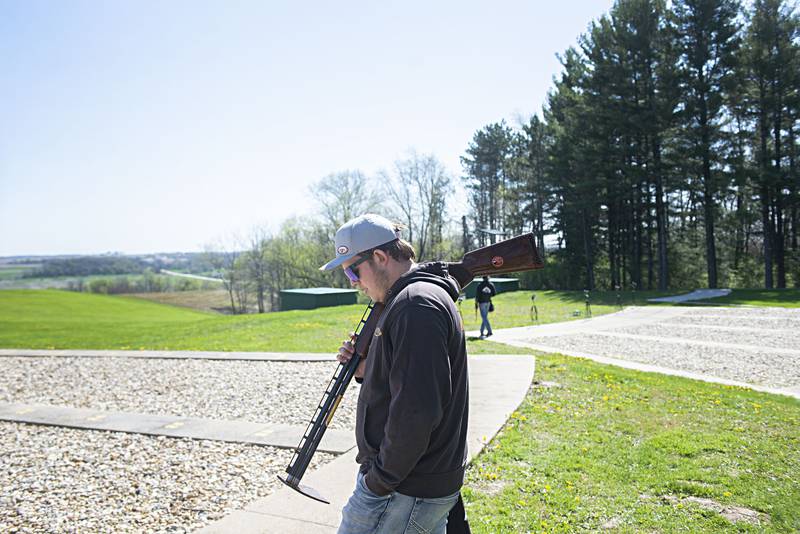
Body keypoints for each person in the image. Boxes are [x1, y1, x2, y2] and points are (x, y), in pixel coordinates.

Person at [320, 213, 469, 534]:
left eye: (351, 270)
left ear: (380, 257)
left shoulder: (415, 305)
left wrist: (378, 483)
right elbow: (408, 384)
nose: (353, 282)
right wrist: (365, 368)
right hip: (412, 485)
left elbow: (418, 410)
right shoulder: (410, 300)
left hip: (403, 488)